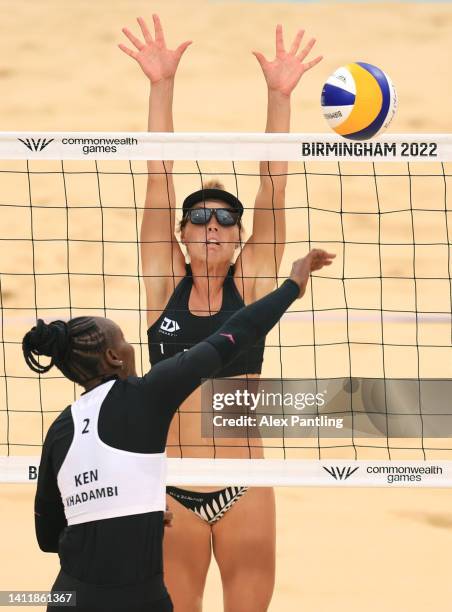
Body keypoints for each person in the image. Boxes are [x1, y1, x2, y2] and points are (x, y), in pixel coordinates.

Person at [119, 14, 323, 611]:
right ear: (181, 234)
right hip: (170, 487)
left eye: (226, 218)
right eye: (200, 217)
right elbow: (158, 176)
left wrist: (280, 97)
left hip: (246, 488)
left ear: (239, 238)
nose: (213, 224)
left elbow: (274, 186)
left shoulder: (255, 283)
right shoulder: (163, 287)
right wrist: (161, 85)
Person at [26, 251, 335, 612]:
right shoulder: (148, 394)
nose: (130, 346)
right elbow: (236, 334)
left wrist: (125, 517)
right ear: (114, 358)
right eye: (124, 340)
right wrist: (292, 286)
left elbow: (48, 537)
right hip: (138, 598)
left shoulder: (60, 429)